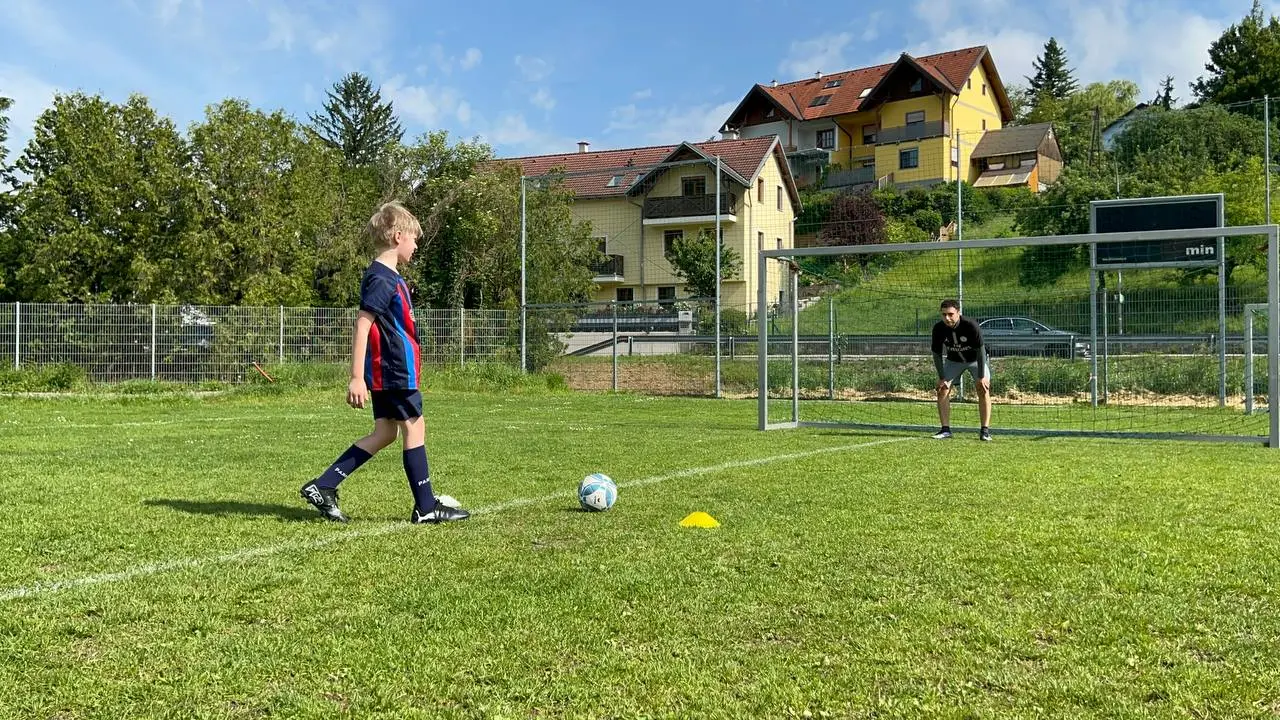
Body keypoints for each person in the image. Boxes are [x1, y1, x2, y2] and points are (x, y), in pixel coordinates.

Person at [300, 201, 470, 524]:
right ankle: (425, 506)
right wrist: (355, 377)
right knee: (414, 426)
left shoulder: (389, 277)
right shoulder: (382, 278)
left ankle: (324, 484)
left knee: (385, 433)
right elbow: (363, 323)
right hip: (393, 371)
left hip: (389, 372)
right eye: (414, 238)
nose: (417, 244)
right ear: (396, 236)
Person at [929, 299, 992, 441]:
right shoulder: (938, 328)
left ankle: (985, 431)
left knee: (983, 388)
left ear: (958, 313)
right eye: (944, 314)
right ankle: (945, 430)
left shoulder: (970, 325)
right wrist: (942, 377)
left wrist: (981, 376)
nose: (947, 318)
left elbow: (981, 352)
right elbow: (937, 354)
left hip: (975, 360)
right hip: (953, 361)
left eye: (950, 314)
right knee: (942, 389)